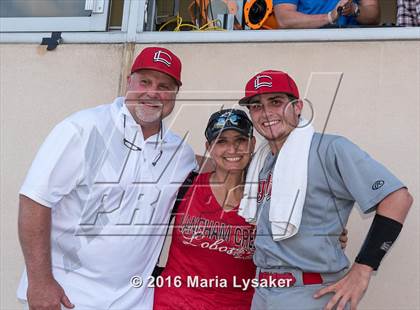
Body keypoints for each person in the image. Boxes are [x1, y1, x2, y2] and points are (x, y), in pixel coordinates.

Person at [17, 47, 197, 309]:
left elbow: (213, 165)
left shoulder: (180, 153)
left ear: (175, 95)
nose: (153, 92)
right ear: (129, 82)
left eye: (164, 86)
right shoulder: (82, 129)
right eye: (145, 81)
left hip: (134, 301)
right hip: (67, 297)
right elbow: (34, 201)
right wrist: (40, 282)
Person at [238, 70, 413, 309]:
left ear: (297, 106)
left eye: (276, 102)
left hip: (310, 292)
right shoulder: (264, 160)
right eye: (256, 106)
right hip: (264, 292)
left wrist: (362, 269)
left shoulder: (329, 148)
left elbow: (398, 198)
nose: (266, 113)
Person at [153, 109, 257, 309]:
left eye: (240, 140)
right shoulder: (186, 185)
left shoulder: (265, 200)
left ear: (252, 144)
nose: (232, 149)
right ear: (209, 147)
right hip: (173, 303)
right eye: (221, 141)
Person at [273, 0, 380, 28]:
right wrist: (329, 17)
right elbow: (284, 19)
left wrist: (354, 10)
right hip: (307, 47)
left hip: (352, 46)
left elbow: (374, 15)